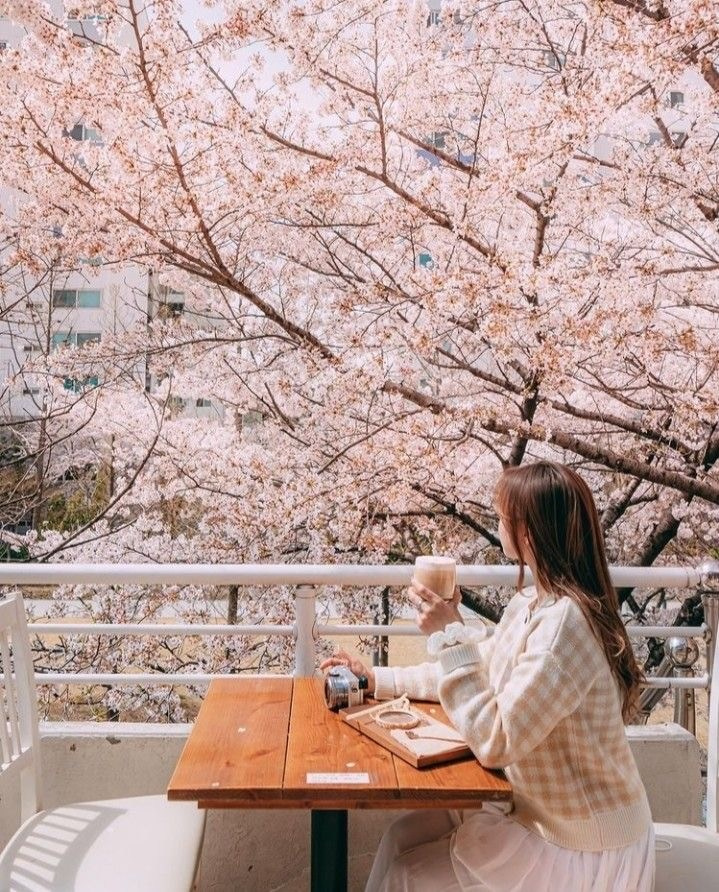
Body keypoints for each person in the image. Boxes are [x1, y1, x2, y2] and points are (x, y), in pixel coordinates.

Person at [321, 461, 655, 891]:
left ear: (528, 532)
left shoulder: (565, 626)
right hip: (539, 814)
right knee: (400, 837)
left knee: (409, 876)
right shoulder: (532, 604)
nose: (496, 524)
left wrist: (448, 634)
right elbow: (476, 670)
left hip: (581, 844)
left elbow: (497, 740)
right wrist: (374, 680)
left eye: (501, 516)